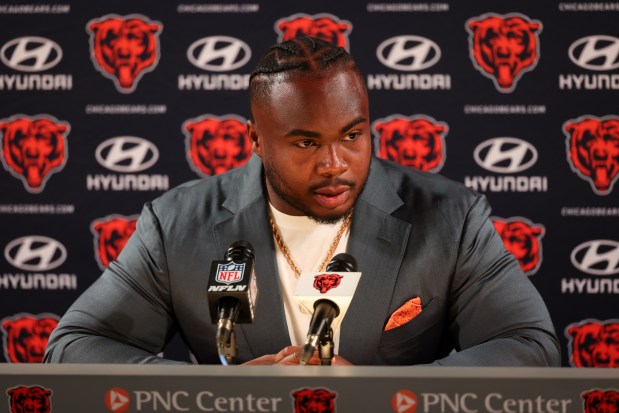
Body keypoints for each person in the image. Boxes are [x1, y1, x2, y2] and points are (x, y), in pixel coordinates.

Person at [44, 36, 560, 366]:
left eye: (352, 135)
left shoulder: (452, 218)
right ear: (255, 140)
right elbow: (72, 348)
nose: (335, 162)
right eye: (306, 143)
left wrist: (383, 398)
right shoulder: (176, 225)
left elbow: (529, 344)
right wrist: (221, 398)